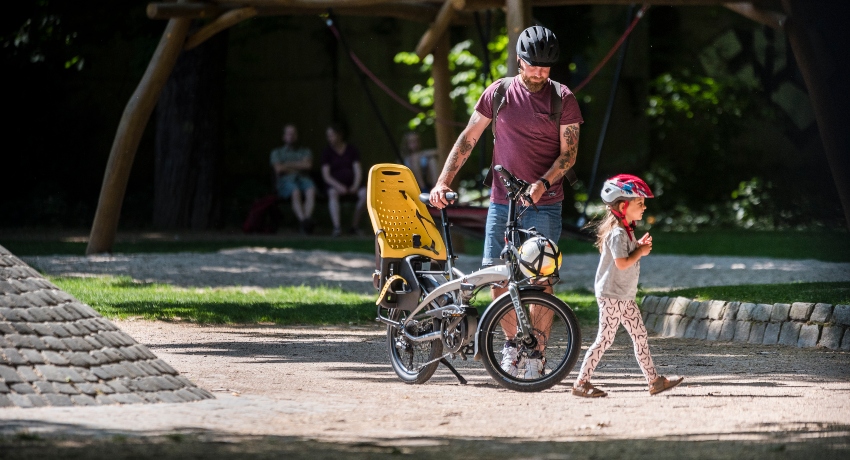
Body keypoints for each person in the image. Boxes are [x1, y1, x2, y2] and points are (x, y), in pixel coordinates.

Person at [429, 26, 583, 378]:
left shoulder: (563, 99)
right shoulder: (498, 94)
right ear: (519, 60)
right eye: (533, 66)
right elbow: (468, 138)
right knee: (499, 277)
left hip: (545, 203)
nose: (540, 73)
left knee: (540, 280)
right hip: (503, 202)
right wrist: (442, 181)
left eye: (546, 67)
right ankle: (515, 346)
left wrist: (543, 183)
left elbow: (569, 155)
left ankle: (537, 353)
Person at [572, 174, 684, 397]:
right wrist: (640, 251)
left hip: (624, 296)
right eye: (640, 203)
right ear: (623, 206)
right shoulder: (617, 234)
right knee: (605, 339)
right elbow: (622, 263)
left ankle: (654, 381)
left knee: (640, 336)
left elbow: (626, 256)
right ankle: (581, 382)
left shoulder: (626, 231)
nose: (644, 208)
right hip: (613, 295)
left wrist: (638, 246)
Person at [321, 123, 367, 237]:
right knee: (332, 193)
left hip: (352, 185)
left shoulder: (351, 150)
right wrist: (338, 186)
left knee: (366, 194)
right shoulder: (327, 152)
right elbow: (326, 176)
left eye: (332, 135)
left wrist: (355, 185)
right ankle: (337, 228)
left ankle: (354, 226)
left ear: (339, 135)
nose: (330, 138)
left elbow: (357, 170)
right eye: (328, 136)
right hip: (335, 186)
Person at [270, 123, 316, 234]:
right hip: (285, 181)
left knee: (311, 189)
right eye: (288, 133)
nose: (291, 136)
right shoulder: (277, 152)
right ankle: (304, 222)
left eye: (293, 133)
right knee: (295, 191)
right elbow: (278, 169)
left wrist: (287, 165)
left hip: (303, 179)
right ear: (284, 136)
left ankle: (306, 220)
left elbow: (308, 166)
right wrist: (299, 165)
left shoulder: (305, 151)